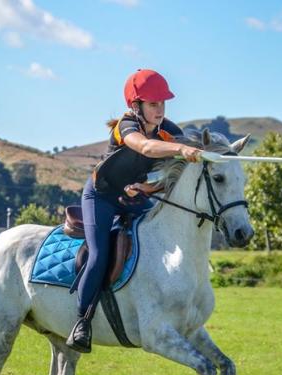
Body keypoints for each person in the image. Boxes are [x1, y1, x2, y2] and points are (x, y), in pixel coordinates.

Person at [66, 69, 202, 353]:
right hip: (101, 197)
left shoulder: (169, 130)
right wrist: (179, 149)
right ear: (135, 106)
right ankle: (82, 322)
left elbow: (174, 170)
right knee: (100, 253)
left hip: (133, 198)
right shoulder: (126, 126)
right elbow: (146, 147)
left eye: (162, 103)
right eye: (153, 104)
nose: (160, 109)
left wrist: (150, 187)